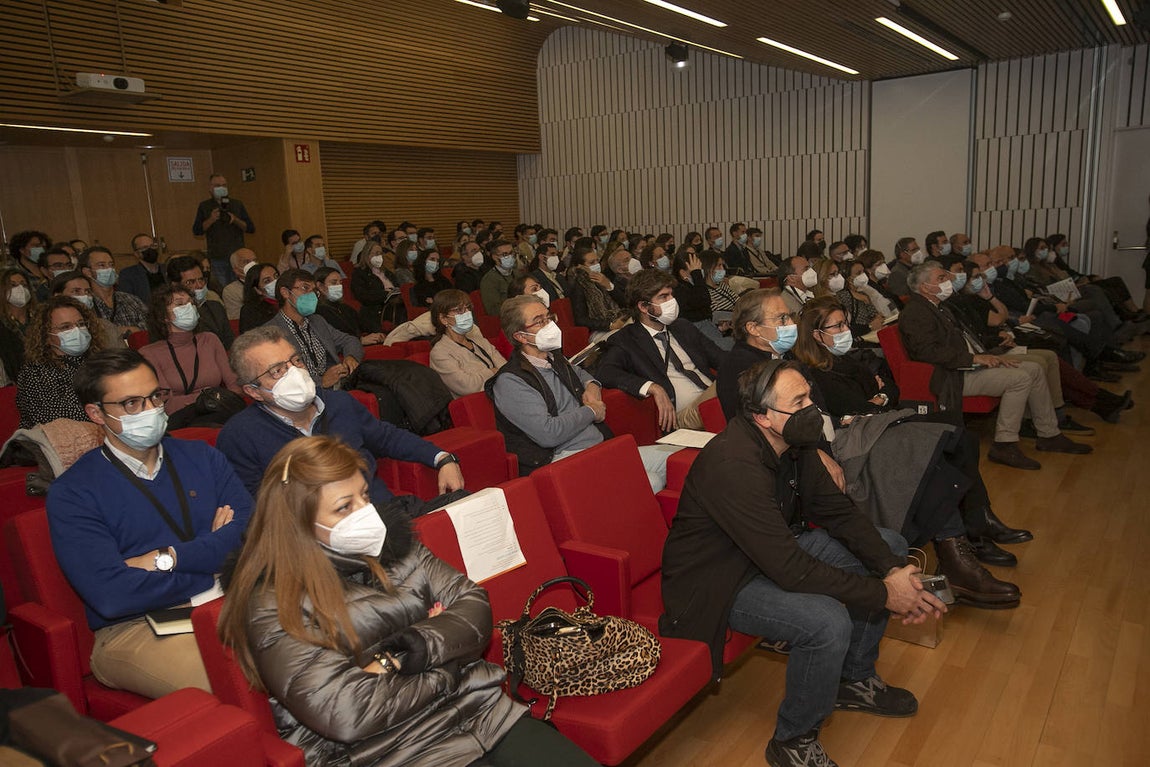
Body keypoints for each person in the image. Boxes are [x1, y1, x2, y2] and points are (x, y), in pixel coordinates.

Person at [217, 435, 596, 767]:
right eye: (344, 507)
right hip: (391, 752)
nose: (365, 513)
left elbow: (474, 606)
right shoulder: (272, 602)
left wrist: (398, 656)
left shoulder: (397, 546)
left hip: (483, 714)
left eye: (364, 496)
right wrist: (447, 666)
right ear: (298, 525)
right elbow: (348, 712)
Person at [660, 359, 944, 767]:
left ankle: (853, 678)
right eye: (800, 401)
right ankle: (794, 738)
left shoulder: (794, 443)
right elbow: (791, 569)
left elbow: (837, 513)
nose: (813, 408)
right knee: (826, 622)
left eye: (809, 395)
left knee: (890, 545)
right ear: (763, 416)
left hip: (772, 551)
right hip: (720, 580)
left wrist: (892, 570)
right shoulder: (732, 466)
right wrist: (887, 595)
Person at [47, 348, 250, 699]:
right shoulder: (73, 492)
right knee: (237, 675)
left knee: (320, 636)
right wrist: (215, 558)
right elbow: (111, 595)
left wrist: (165, 559)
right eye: (131, 404)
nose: (151, 410)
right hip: (135, 625)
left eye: (156, 396)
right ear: (96, 413)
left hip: (228, 596)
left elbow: (250, 533)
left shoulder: (202, 455)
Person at [793, 299, 1028, 585]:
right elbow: (857, 405)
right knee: (937, 453)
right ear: (816, 335)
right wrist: (878, 396)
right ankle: (963, 541)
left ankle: (978, 521)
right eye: (838, 326)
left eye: (845, 323)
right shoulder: (812, 371)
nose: (846, 330)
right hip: (859, 439)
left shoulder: (848, 359)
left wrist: (877, 397)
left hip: (878, 424)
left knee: (960, 436)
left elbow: (891, 388)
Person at [217, 326, 464, 502]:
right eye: (278, 371)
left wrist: (442, 458)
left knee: (468, 508)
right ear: (253, 391)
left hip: (384, 515)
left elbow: (387, 437)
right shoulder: (239, 435)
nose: (294, 373)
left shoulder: (339, 403)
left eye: (296, 361)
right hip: (322, 546)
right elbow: (256, 508)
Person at [899, 262, 1090, 470]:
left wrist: (989, 355)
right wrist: (974, 360)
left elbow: (966, 340)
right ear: (925, 287)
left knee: (1034, 369)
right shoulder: (916, 312)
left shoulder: (939, 306)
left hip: (966, 365)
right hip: (950, 375)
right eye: (941, 279)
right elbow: (928, 352)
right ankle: (1004, 445)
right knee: (1020, 378)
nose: (948, 282)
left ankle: (1049, 434)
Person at [487, 295, 673, 490]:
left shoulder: (554, 358)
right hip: (566, 461)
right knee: (651, 481)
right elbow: (548, 433)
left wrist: (593, 386)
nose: (549, 325)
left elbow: (583, 374)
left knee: (676, 457)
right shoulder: (511, 381)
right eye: (539, 321)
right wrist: (591, 412)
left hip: (599, 446)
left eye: (549, 317)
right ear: (521, 336)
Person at [597, 269, 726, 431]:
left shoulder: (682, 327)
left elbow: (723, 360)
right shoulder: (626, 339)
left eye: (671, 295)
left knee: (742, 370)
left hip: (712, 397)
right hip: (686, 416)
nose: (672, 301)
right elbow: (605, 372)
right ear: (644, 307)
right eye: (664, 297)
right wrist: (653, 387)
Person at [139, 284, 244, 428]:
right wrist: (212, 396)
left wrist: (202, 399)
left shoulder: (209, 339)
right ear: (164, 316)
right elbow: (168, 404)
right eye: (180, 304)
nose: (189, 307)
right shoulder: (149, 353)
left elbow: (236, 387)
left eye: (191, 303)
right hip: (183, 421)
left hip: (221, 412)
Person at [16, 296, 106, 428]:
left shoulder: (99, 361)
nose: (77, 331)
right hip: (62, 441)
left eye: (81, 324)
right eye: (66, 327)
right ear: (46, 336)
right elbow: (59, 421)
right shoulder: (35, 373)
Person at [266, 269, 363, 389]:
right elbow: (282, 376)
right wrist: (321, 381)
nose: (311, 295)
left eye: (313, 291)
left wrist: (351, 356)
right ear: (285, 292)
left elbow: (349, 340)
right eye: (305, 288)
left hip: (339, 382)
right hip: (307, 392)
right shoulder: (270, 332)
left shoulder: (317, 321)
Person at [716, 288, 797, 419]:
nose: (791, 324)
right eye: (782, 318)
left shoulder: (785, 354)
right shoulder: (739, 366)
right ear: (753, 328)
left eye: (789, 317)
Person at [429, 289, 506, 397]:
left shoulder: (479, 340)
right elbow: (468, 386)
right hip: (478, 404)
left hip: (502, 394)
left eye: (468, 308)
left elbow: (505, 368)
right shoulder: (440, 353)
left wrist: (487, 375)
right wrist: (492, 372)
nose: (467, 313)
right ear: (443, 319)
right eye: (459, 310)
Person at [192, 174, 255, 283]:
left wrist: (235, 220)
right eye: (217, 185)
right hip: (218, 257)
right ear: (210, 188)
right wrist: (211, 219)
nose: (221, 188)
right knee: (222, 289)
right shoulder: (204, 206)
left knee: (241, 287)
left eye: (224, 185)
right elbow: (197, 231)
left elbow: (250, 228)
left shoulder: (237, 204)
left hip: (238, 257)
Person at [76, 246, 149, 338]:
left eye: (111, 265)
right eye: (102, 265)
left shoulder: (131, 300)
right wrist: (127, 330)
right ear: (88, 272)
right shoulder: (85, 304)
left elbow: (152, 327)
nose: (109, 269)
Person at [166, 254, 235, 349]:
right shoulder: (168, 314)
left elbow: (230, 344)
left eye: (201, 279)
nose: (199, 285)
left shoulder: (216, 307)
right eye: (190, 282)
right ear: (175, 285)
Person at [566, 242, 627, 342]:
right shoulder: (579, 286)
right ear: (580, 266)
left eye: (597, 261)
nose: (596, 265)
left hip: (617, 321)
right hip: (599, 330)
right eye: (591, 263)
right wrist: (610, 325)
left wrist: (609, 286)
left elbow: (624, 302)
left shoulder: (601, 277)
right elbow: (580, 319)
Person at [313, 266, 386, 345]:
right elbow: (331, 338)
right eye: (334, 282)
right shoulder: (317, 311)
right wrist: (360, 340)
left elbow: (365, 324)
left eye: (340, 282)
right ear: (320, 286)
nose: (339, 286)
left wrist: (379, 334)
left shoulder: (345, 308)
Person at [352, 241, 406, 331]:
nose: (379, 256)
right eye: (376, 253)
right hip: (377, 309)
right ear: (367, 255)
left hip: (397, 304)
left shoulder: (387, 272)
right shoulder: (360, 273)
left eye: (381, 253)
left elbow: (398, 287)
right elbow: (362, 295)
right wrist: (385, 294)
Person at [0, 268, 35, 378]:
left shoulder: (40, 318)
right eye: (13, 285)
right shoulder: (2, 324)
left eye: (23, 284)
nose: (20, 288)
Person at [119, 234, 167, 302]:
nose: (150, 249)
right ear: (136, 254)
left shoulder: (166, 269)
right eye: (145, 247)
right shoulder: (128, 275)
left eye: (152, 246)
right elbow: (128, 303)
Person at [479, 239, 518, 316]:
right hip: (509, 318)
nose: (510, 256)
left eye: (511, 253)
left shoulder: (518, 273)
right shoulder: (489, 280)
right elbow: (493, 310)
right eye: (505, 254)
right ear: (495, 257)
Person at [239, 263, 281, 332]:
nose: (275, 281)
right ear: (257, 290)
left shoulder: (291, 299)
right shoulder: (250, 311)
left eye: (276, 276)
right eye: (267, 281)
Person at [222, 248, 257, 319]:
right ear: (236, 270)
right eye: (247, 262)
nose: (253, 264)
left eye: (254, 260)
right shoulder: (231, 291)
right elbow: (236, 319)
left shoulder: (267, 282)